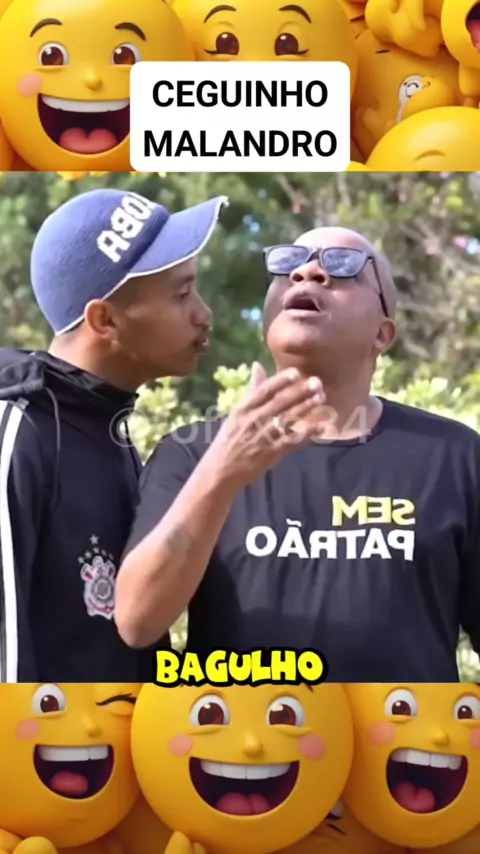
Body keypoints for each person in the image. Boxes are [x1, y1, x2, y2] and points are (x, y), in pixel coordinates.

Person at [115, 226, 480, 682]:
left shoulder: (455, 457)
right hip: (243, 729)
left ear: (383, 333)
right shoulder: (191, 455)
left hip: (404, 729)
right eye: (289, 263)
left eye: (343, 267)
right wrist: (223, 472)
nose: (308, 272)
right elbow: (137, 621)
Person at [0, 186, 227, 682]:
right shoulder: (20, 427)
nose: (203, 314)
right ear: (105, 320)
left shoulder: (105, 425)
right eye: (182, 294)